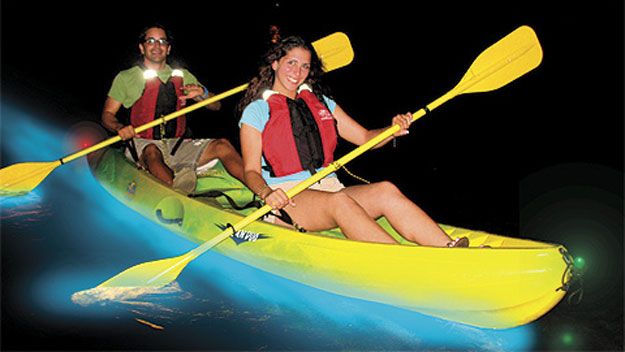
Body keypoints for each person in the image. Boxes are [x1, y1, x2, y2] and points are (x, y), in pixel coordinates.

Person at [237, 35, 468, 247]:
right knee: (340, 202)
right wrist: (267, 194)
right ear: (276, 64)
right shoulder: (257, 111)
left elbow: (366, 138)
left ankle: (449, 249)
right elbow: (251, 171)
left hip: (330, 189)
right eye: (291, 63)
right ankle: (402, 261)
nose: (297, 72)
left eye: (305, 66)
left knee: (385, 190)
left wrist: (392, 129)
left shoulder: (322, 103)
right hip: (288, 198)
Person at [102, 24, 244, 194]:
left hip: (178, 144)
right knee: (152, 153)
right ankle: (177, 194)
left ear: (168, 49)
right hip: (143, 143)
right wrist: (119, 128)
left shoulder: (182, 76)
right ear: (142, 47)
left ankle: (265, 192)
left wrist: (203, 93)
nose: (157, 46)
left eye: (162, 41)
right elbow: (107, 115)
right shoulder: (126, 77)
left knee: (223, 145)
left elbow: (216, 105)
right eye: (151, 41)